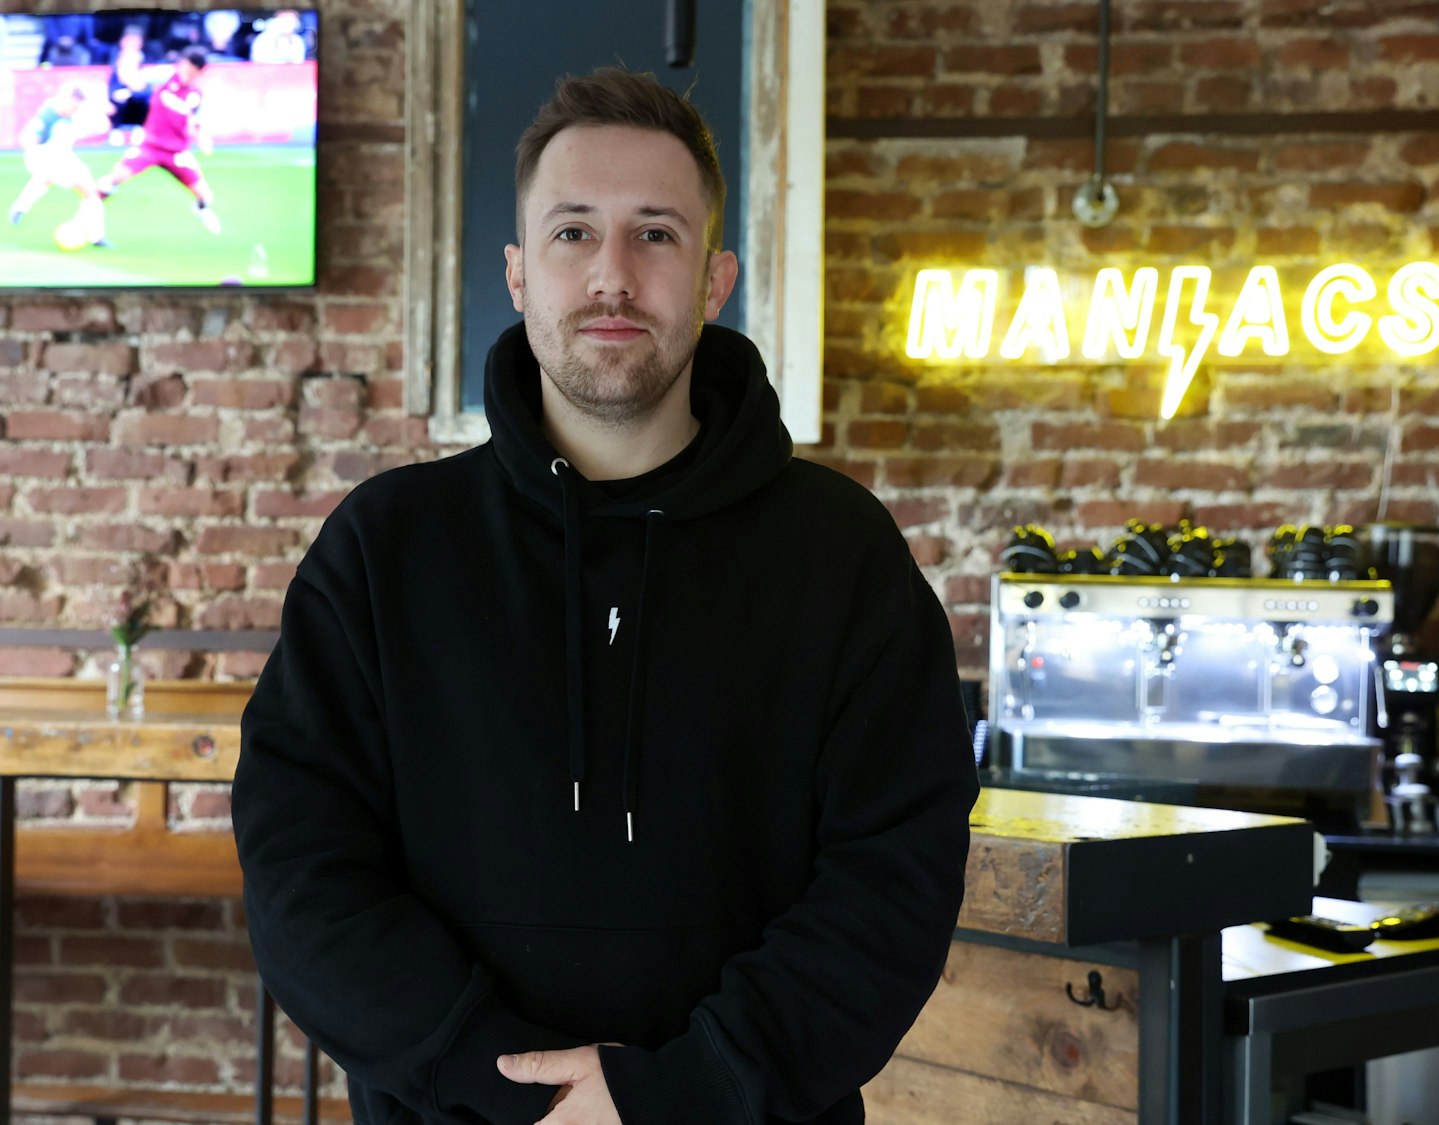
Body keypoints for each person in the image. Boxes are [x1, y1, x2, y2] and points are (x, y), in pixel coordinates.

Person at [231, 67, 977, 1125]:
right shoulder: (386, 547)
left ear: (714, 280)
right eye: (572, 233)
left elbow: (892, 882)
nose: (612, 276)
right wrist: (508, 1086)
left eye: (655, 234)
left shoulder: (840, 553)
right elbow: (299, 866)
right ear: (518, 274)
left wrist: (678, 1092)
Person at [94, 45, 222, 235]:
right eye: (185, 66)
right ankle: (89, 215)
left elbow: (196, 123)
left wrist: (203, 137)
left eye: (192, 70)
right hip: (150, 145)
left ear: (199, 72)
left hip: (177, 152)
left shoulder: (196, 95)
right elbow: (136, 78)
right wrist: (127, 79)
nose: (186, 72)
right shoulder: (165, 76)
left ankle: (202, 209)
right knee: (113, 179)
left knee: (205, 195)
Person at [8, 85, 109, 244]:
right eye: (74, 105)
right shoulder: (47, 116)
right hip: (45, 156)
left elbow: (99, 127)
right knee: (47, 178)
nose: (75, 109)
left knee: (92, 193)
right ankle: (20, 207)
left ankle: (97, 236)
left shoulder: (72, 116)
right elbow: (28, 140)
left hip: (66, 158)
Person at [103, 25, 152, 147]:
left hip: (138, 110)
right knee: (116, 101)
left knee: (143, 102)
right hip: (119, 111)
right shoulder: (116, 67)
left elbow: (148, 92)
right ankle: (116, 131)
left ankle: (139, 130)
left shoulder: (146, 64)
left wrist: (132, 92)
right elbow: (111, 90)